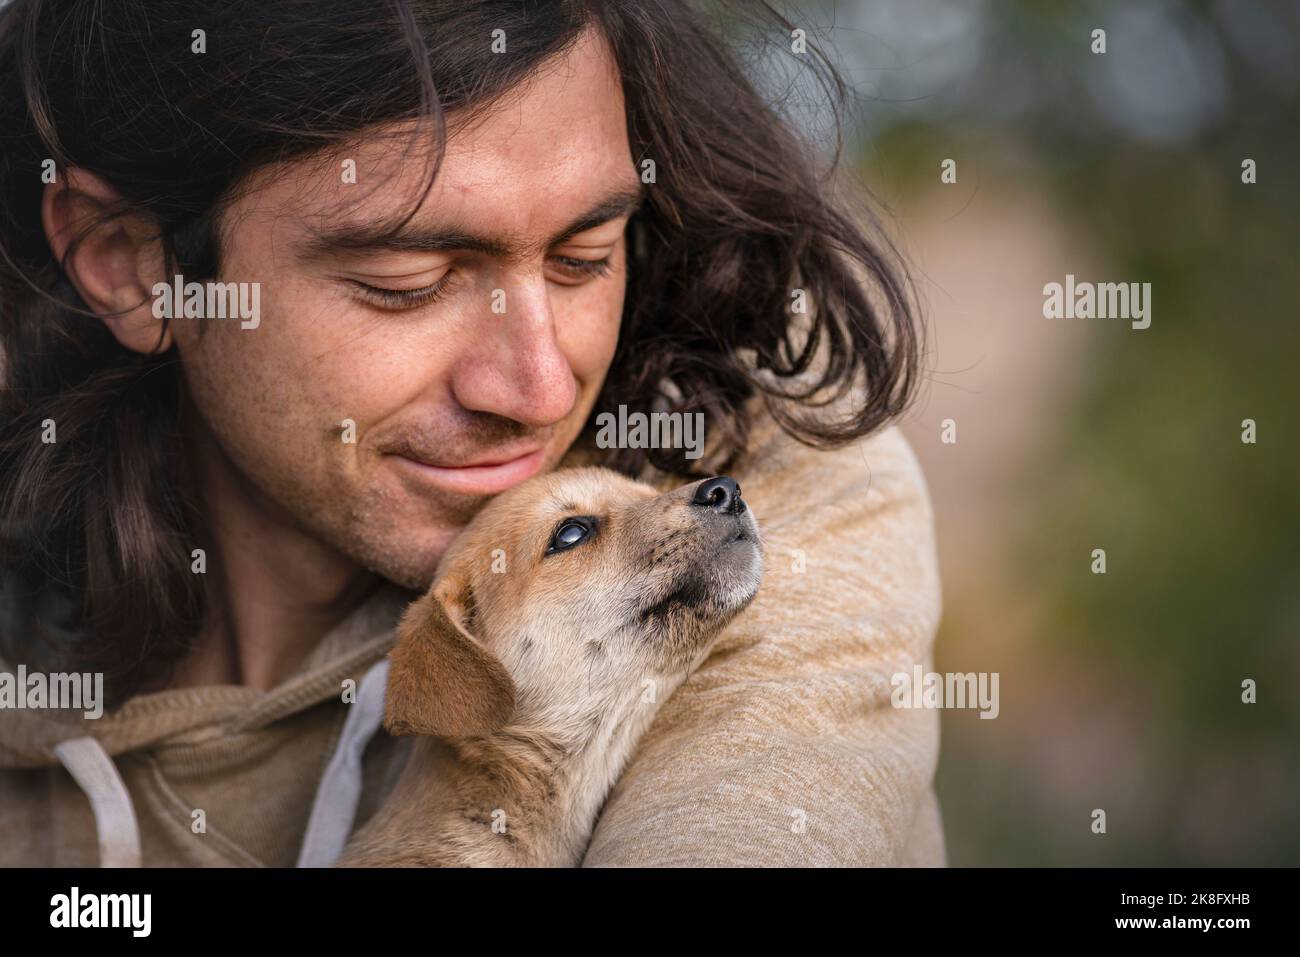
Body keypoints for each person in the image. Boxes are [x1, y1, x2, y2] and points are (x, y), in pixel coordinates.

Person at [0, 0, 943, 866]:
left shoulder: (777, 487)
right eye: (406, 281)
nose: (535, 387)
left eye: (584, 257)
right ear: (128, 261)